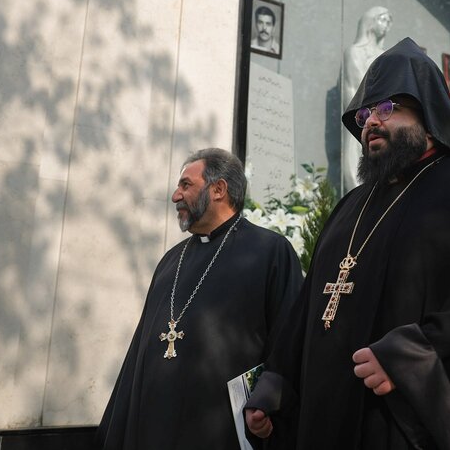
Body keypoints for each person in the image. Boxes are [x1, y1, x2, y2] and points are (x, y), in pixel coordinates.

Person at [245, 38, 450, 449]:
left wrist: (410, 358)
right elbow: (308, 309)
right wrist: (275, 385)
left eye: (387, 108)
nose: (370, 122)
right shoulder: (350, 207)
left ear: (429, 116)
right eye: (364, 114)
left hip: (399, 428)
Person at [98, 148, 302, 450]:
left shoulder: (270, 252)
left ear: (218, 189)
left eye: (186, 185)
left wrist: (268, 400)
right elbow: (139, 353)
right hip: (154, 428)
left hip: (221, 431)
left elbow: (290, 340)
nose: (175, 196)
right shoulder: (170, 261)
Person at [340, 6, 393, 191]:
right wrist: (361, 118)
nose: (386, 25)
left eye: (388, 21)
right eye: (382, 20)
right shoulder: (354, 52)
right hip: (361, 116)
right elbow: (353, 88)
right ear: (370, 22)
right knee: (355, 158)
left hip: (384, 117)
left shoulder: (386, 56)